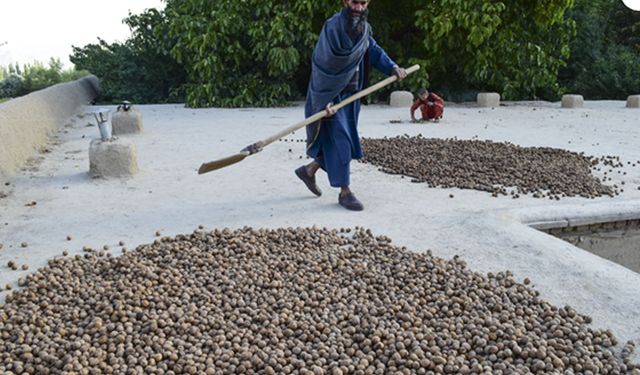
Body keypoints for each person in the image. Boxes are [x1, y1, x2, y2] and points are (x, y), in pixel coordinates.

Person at [294, 0, 407, 211]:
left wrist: (392, 67)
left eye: (363, 3)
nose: (359, 8)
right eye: (355, 2)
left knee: (339, 138)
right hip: (331, 95)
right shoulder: (332, 27)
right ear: (345, 1)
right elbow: (321, 64)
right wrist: (324, 101)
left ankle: (309, 170)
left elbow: (373, 50)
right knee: (342, 140)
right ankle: (345, 192)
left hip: (352, 97)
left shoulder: (364, 28)